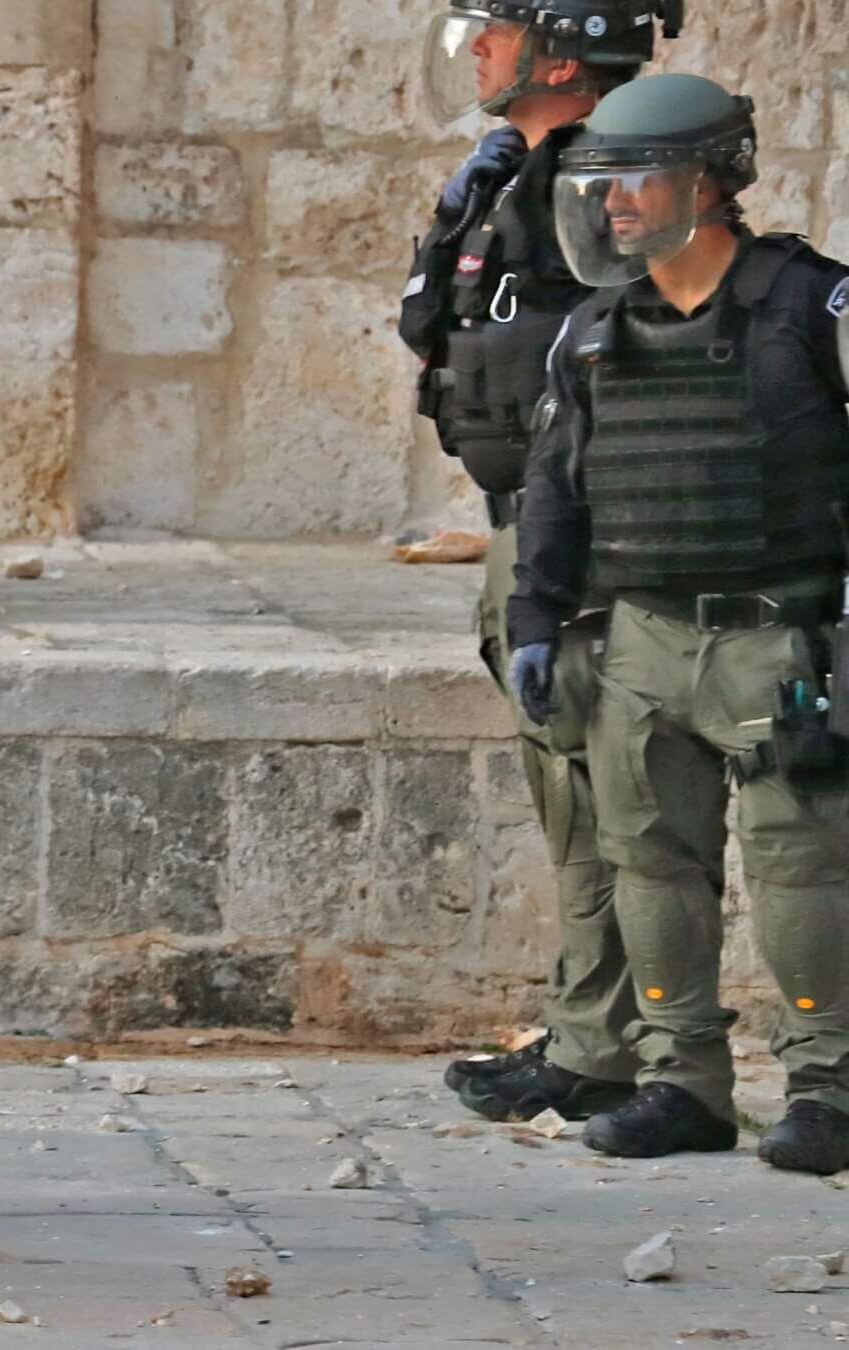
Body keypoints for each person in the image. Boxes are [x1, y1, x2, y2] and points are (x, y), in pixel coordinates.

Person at [512, 73, 849, 1173]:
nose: (610, 207)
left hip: (781, 637)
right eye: (598, 187)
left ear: (709, 182)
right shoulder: (598, 330)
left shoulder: (812, 308)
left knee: (802, 870)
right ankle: (683, 1084)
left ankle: (826, 1089)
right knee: (651, 865)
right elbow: (556, 489)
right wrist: (536, 620)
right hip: (642, 640)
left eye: (633, 182)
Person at [402, 0, 677, 1123]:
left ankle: (635, 1052)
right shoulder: (515, 173)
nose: (476, 49)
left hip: (589, 522)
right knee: (568, 787)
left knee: (620, 792)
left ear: (562, 52)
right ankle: (588, 1035)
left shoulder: (623, 180)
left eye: (499, 30)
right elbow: (437, 322)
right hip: (526, 510)